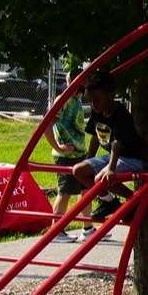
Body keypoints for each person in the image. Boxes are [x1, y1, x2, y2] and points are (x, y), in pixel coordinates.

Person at [70, 71, 148, 230]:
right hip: (113, 156)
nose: (94, 105)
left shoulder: (120, 114)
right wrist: (88, 160)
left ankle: (134, 200)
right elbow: (95, 137)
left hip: (132, 157)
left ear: (111, 95)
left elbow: (117, 143)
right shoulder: (97, 113)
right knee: (78, 170)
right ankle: (109, 202)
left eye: (97, 100)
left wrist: (111, 169)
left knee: (101, 178)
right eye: (90, 101)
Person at [48, 78, 88, 241]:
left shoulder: (77, 100)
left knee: (86, 190)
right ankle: (56, 230)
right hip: (66, 156)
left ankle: (88, 227)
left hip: (80, 153)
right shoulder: (63, 100)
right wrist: (59, 147)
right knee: (65, 192)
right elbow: (47, 125)